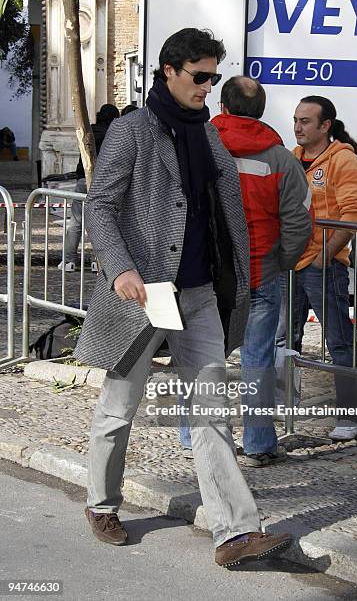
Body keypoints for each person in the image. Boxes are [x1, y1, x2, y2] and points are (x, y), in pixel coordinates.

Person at [74, 28, 292, 566]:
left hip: (198, 295)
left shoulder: (208, 135)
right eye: (200, 76)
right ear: (168, 71)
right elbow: (99, 206)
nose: (207, 87)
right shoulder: (132, 131)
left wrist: (242, 274)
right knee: (120, 408)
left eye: (213, 78)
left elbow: (225, 213)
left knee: (212, 412)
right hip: (145, 293)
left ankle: (234, 533)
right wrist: (122, 268)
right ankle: (101, 503)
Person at [210, 77, 311, 465]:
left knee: (204, 357)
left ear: (222, 106)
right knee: (258, 360)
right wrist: (280, 261)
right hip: (261, 274)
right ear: (262, 111)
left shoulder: (201, 146)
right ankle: (258, 443)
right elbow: (300, 220)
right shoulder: (281, 158)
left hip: (211, 276)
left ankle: (194, 437)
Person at [291, 95, 357, 441]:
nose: (297, 127)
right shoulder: (293, 158)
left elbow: (352, 216)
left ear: (325, 126)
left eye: (306, 121)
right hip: (291, 264)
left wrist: (323, 257)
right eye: (296, 120)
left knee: (338, 342)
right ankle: (282, 408)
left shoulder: (344, 161)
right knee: (284, 339)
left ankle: (352, 415)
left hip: (323, 267)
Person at [58, 104, 119, 272]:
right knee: (99, 222)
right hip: (101, 182)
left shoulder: (87, 131)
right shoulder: (113, 135)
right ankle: (96, 261)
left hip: (82, 180)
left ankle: (69, 261)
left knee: (75, 223)